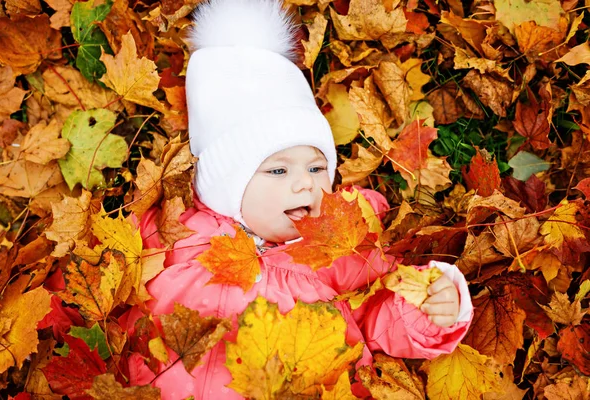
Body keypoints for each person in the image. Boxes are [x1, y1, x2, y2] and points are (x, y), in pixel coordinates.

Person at [123, 0, 474, 398]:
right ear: (224, 183)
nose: (304, 185)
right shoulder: (169, 233)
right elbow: (100, 279)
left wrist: (428, 307)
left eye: (316, 168)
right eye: (278, 170)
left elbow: (378, 312)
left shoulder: (340, 250)